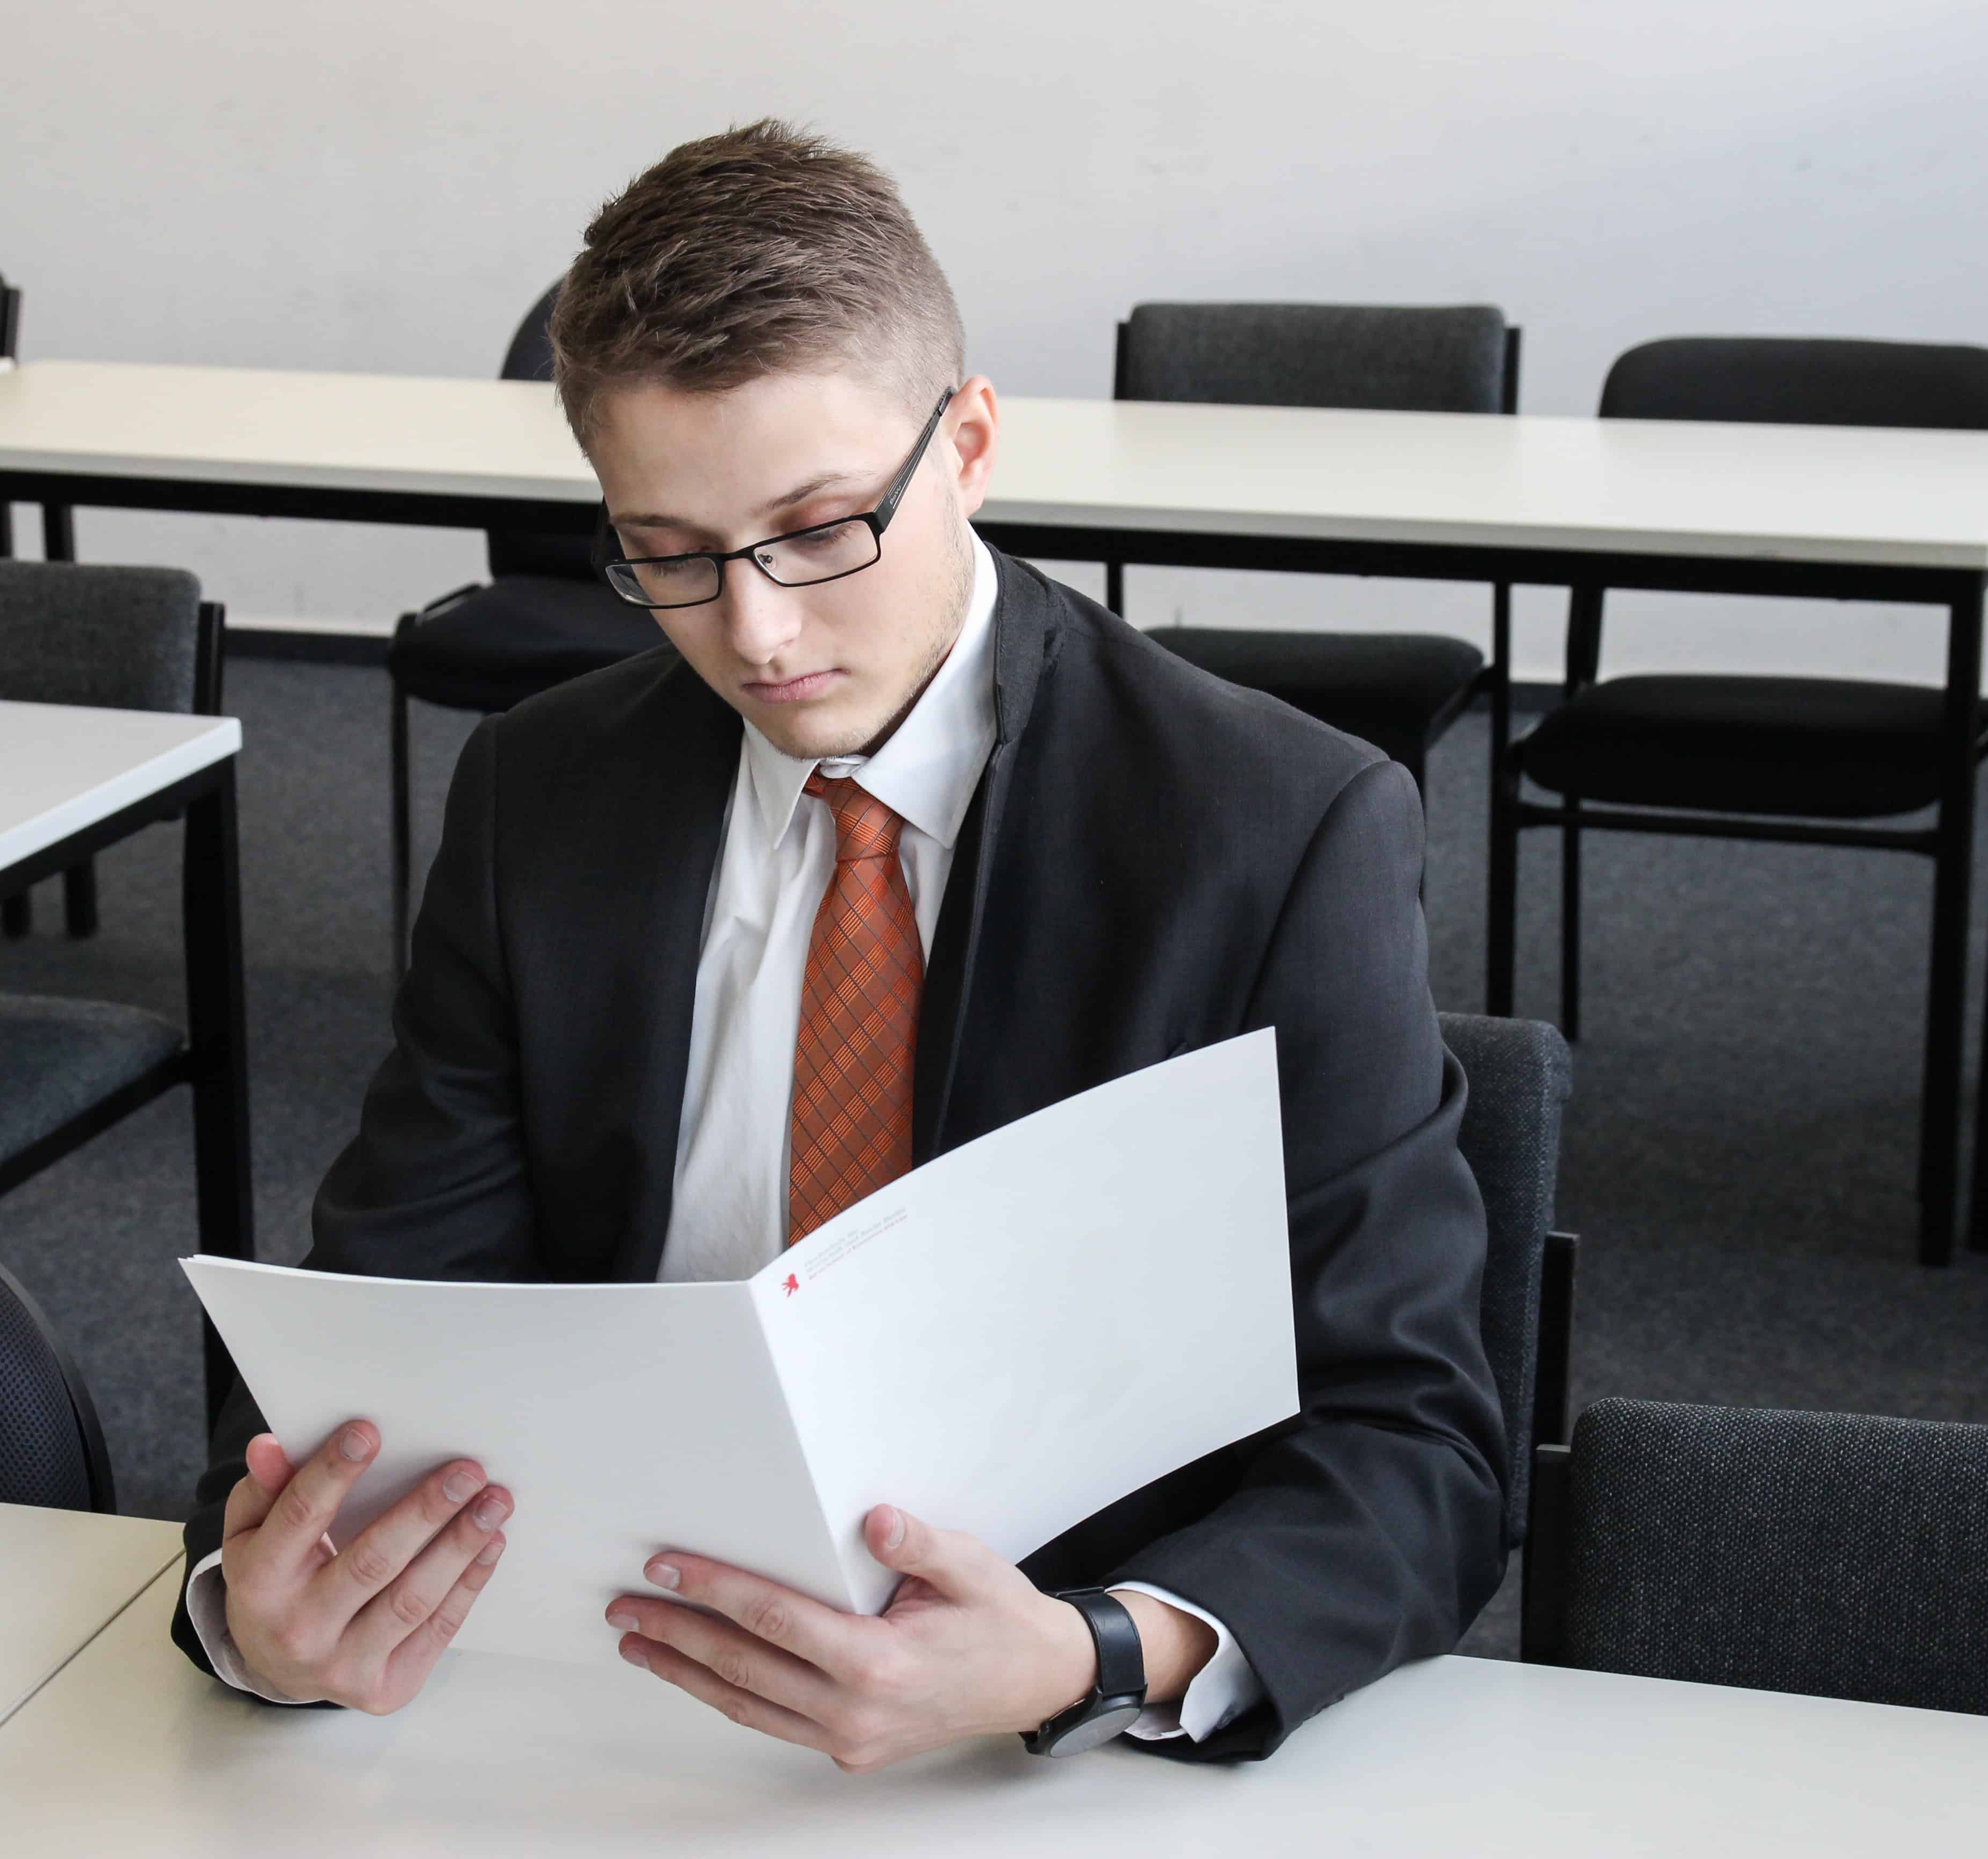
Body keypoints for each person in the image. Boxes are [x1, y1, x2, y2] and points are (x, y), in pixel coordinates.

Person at [173, 120, 1506, 1766]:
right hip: (605, 1684)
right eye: (667, 555)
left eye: (819, 530)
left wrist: (1089, 1657)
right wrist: (260, 1611)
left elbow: (1419, 1444)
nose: (757, 632)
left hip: (1049, 1737)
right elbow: (383, 1314)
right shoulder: (544, 792)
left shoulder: (1273, 828)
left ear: (970, 445)